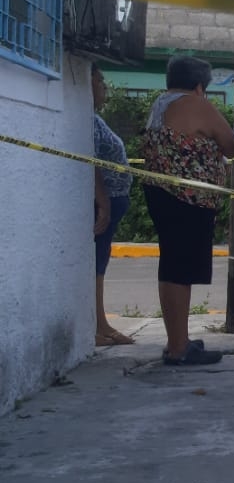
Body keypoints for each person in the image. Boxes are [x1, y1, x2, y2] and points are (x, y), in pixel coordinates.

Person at [139, 56, 234, 365]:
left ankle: (177, 341)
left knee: (171, 268)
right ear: (199, 86)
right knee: (180, 271)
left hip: (161, 195)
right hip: (187, 199)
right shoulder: (197, 104)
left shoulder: (160, 104)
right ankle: (179, 348)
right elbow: (232, 145)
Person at [91, 63, 135, 346]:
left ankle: (101, 323)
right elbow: (91, 161)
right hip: (102, 205)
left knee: (100, 264)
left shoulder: (95, 118)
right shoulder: (89, 120)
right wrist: (104, 202)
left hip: (113, 201)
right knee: (95, 265)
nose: (104, 87)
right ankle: (97, 326)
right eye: (100, 81)